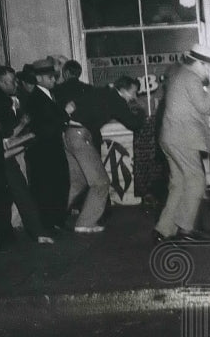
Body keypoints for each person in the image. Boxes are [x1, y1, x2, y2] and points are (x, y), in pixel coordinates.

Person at [153, 43, 210, 243]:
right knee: (197, 180)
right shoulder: (191, 78)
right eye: (207, 66)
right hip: (183, 139)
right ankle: (185, 229)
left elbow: (192, 107)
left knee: (179, 183)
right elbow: (203, 105)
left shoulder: (179, 74)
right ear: (199, 63)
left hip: (170, 136)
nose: (208, 70)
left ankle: (163, 229)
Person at [62, 75, 147, 232]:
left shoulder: (101, 91)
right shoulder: (117, 100)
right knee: (101, 182)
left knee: (77, 182)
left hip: (69, 134)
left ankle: (55, 218)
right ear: (122, 89)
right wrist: (141, 110)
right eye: (133, 92)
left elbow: (74, 105)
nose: (134, 96)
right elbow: (134, 124)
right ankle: (85, 223)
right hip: (81, 137)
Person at [0, 66, 54, 246]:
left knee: (8, 195)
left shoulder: (1, 99)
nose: (16, 83)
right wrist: (24, 125)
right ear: (1, 82)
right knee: (19, 192)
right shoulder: (2, 101)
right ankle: (35, 233)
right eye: (12, 81)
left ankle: (8, 237)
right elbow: (7, 134)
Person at [24, 58, 70, 232]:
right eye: (50, 77)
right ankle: (49, 224)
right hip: (43, 151)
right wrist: (65, 115)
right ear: (38, 79)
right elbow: (47, 126)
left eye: (54, 76)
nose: (54, 80)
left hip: (52, 148)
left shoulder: (49, 95)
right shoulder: (36, 99)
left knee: (59, 184)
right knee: (46, 188)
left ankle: (57, 221)